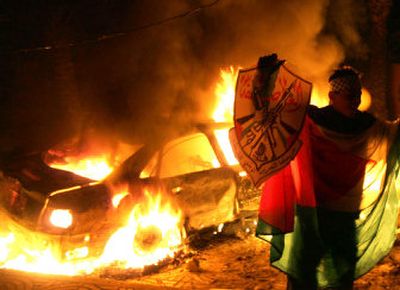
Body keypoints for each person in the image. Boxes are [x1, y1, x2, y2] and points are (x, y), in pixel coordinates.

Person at [254, 57, 400, 289]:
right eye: (349, 95)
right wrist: (264, 82)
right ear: (332, 97)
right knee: (303, 277)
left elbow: (395, 134)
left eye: (357, 94)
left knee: (343, 277)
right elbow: (273, 116)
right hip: (313, 214)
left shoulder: (368, 125)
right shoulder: (312, 120)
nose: (356, 100)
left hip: (345, 218)